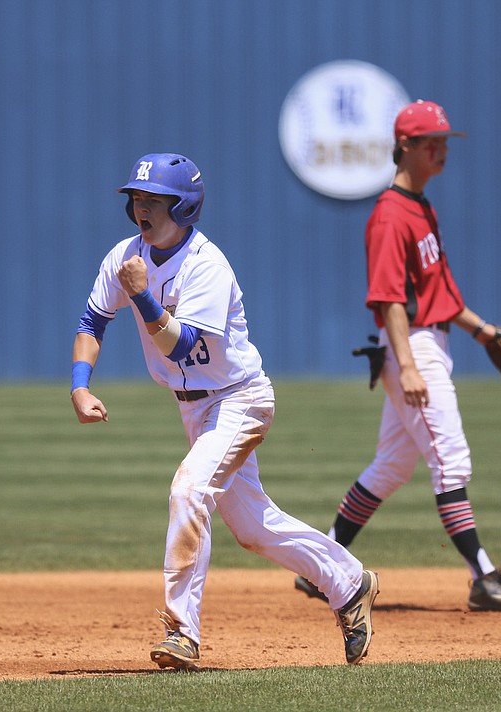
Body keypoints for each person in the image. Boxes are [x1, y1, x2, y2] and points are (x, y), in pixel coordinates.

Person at [70, 153, 379, 669]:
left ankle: (180, 633)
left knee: (188, 492)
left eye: (154, 200)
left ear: (184, 207)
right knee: (254, 530)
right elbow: (93, 319)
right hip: (195, 410)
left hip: (240, 399)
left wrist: (144, 297)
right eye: (136, 200)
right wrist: (80, 386)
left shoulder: (206, 266)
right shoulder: (124, 256)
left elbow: (180, 346)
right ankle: (350, 583)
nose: (141, 209)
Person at [294, 101, 501, 612]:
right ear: (405, 146)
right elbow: (388, 300)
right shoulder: (389, 215)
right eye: (433, 141)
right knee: (451, 463)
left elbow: (439, 295)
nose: (442, 148)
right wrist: (406, 365)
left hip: (429, 342)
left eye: (445, 140)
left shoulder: (421, 206)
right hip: (414, 349)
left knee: (391, 466)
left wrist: (485, 333)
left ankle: (320, 566)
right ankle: (484, 577)